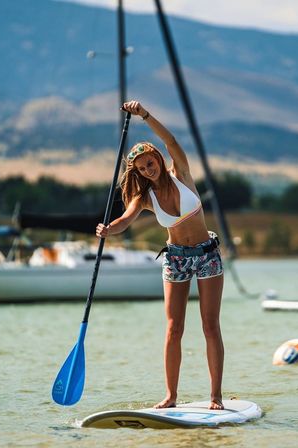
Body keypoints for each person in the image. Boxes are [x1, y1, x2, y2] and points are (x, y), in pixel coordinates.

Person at [96, 100, 224, 410]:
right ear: (138, 173)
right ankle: (170, 396)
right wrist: (108, 229)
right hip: (176, 258)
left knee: (210, 325)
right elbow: (126, 219)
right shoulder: (144, 196)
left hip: (206, 254)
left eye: (150, 163)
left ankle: (216, 397)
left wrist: (144, 115)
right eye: (141, 169)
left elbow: (172, 141)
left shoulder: (180, 173)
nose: (148, 170)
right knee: (173, 328)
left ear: (157, 158)